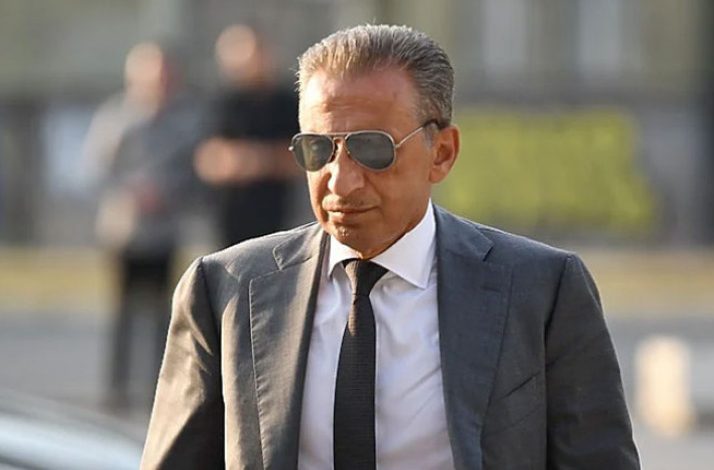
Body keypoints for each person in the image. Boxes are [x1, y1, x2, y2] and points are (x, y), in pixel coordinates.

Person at [142, 25, 640, 469]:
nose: (341, 181)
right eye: (318, 149)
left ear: (441, 153)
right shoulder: (225, 290)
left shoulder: (542, 291)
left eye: (371, 148)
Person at [84, 42, 201, 410]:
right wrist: (132, 192)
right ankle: (116, 387)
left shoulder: (186, 122)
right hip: (124, 230)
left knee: (164, 313)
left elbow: (195, 172)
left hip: (164, 231)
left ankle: (158, 385)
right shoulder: (116, 118)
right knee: (122, 312)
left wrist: (167, 192)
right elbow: (95, 170)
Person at [194, 24, 301, 248]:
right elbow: (206, 160)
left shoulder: (287, 103)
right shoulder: (221, 104)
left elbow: (303, 158)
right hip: (229, 222)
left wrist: (258, 160)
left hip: (279, 221)